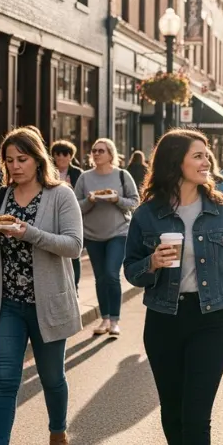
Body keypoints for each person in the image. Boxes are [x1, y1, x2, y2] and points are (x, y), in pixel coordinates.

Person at [123, 128, 223, 445]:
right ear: (175, 162)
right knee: (172, 413)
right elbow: (131, 271)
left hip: (209, 321)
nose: (206, 161)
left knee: (196, 414)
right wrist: (151, 263)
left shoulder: (222, 211)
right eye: (198, 155)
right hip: (162, 321)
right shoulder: (147, 214)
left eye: (206, 154)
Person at [0, 127, 82, 445]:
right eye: (9, 160)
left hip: (47, 304)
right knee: (5, 382)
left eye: (22, 159)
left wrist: (29, 233)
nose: (15, 166)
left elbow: (74, 245)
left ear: (38, 160)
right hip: (7, 304)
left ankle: (58, 433)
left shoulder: (61, 195)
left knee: (52, 379)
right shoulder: (0, 196)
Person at [74, 139, 140, 336]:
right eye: (94, 150)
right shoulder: (85, 178)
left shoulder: (122, 175)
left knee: (112, 274)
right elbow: (76, 206)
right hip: (93, 235)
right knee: (101, 277)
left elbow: (135, 201)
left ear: (110, 154)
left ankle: (115, 320)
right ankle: (104, 319)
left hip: (118, 233)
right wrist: (90, 201)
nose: (96, 153)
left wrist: (116, 199)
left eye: (101, 150)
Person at [51, 140, 84, 291]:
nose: (61, 158)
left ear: (70, 156)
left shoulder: (77, 173)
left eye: (64, 155)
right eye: (57, 155)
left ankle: (74, 286)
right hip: (52, 216)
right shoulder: (48, 172)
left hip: (71, 216)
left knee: (73, 253)